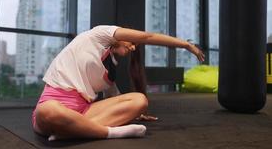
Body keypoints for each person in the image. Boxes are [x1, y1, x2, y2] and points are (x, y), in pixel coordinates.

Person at [31, 25, 205, 141]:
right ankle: (109, 133)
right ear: (119, 36)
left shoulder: (110, 72)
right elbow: (147, 36)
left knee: (139, 100)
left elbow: (116, 101)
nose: (133, 47)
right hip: (54, 107)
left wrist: (136, 112)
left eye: (135, 45)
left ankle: (72, 132)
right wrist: (185, 45)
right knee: (49, 110)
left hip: (83, 112)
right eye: (132, 42)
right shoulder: (98, 34)